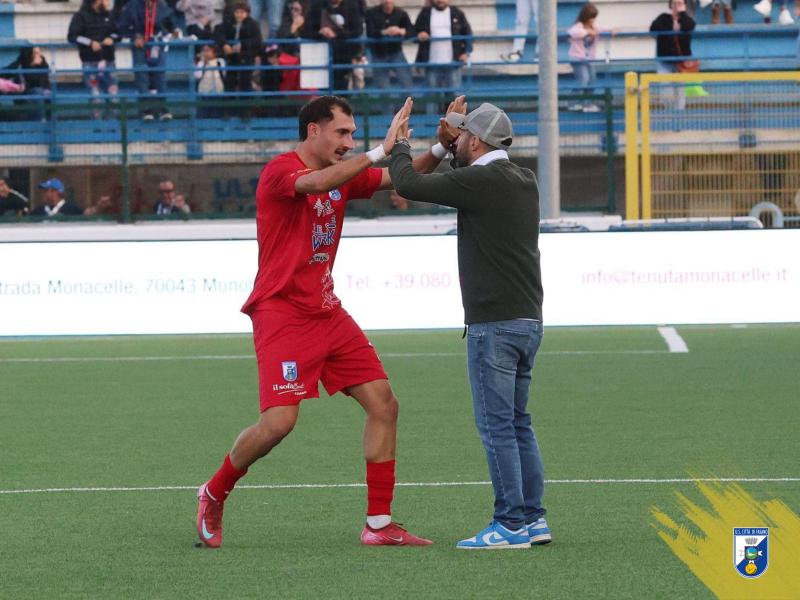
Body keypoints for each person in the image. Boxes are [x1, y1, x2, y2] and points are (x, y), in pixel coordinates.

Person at [195, 95, 451, 549]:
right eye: (342, 133)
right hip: (281, 312)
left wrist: (441, 148)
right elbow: (315, 184)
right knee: (278, 425)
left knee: (384, 404)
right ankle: (214, 491)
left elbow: (399, 178)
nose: (349, 141)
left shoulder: (342, 175)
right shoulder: (280, 171)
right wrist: (375, 151)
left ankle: (379, 524)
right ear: (314, 130)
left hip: (327, 310)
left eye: (353, 134)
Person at [387, 99, 550, 550]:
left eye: (461, 136)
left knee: (497, 426)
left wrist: (401, 144)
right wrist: (444, 144)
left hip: (493, 322)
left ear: (476, 141)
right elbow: (446, 169)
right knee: (518, 423)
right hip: (527, 317)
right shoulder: (523, 178)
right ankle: (533, 518)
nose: (456, 141)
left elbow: (406, 184)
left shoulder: (480, 180)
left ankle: (510, 523)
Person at [118, 0, 177, 120]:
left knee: (160, 76)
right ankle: (145, 110)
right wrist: (134, 37)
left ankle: (163, 109)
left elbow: (171, 25)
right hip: (140, 47)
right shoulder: (132, 5)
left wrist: (175, 32)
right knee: (142, 76)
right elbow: (122, 27)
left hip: (157, 45)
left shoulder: (162, 5)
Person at [414, 0, 472, 113]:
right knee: (431, 96)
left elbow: (468, 34)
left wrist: (466, 53)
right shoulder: (425, 13)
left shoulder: (457, 13)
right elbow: (414, 31)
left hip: (453, 63)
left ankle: (456, 127)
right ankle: (430, 125)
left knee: (455, 97)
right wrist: (419, 34)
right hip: (431, 64)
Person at [67, 0, 120, 116]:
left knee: (113, 97)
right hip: (89, 62)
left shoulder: (110, 15)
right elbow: (72, 36)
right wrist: (90, 43)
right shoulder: (80, 16)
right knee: (96, 98)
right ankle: (98, 128)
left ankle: (114, 128)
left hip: (108, 61)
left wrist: (111, 39)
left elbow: (118, 33)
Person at [304, 0, 364, 90]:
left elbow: (358, 30)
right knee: (322, 93)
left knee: (341, 91)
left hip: (343, 56)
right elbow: (306, 31)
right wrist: (320, 33)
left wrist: (337, 34)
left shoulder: (351, 6)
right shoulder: (316, 6)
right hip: (318, 57)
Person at [214, 1, 263, 110]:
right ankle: (228, 111)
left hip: (246, 58)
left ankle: (245, 113)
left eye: (242, 12)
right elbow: (218, 32)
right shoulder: (228, 22)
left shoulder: (252, 24)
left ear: (247, 13)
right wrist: (224, 44)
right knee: (230, 84)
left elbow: (257, 41)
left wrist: (243, 45)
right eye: (237, 12)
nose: (239, 15)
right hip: (232, 59)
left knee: (245, 84)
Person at [650, 0, 695, 111]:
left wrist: (683, 13)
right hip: (665, 60)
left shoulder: (687, 19)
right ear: (670, 5)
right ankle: (669, 115)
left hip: (681, 61)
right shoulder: (663, 18)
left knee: (680, 90)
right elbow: (653, 28)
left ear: (684, 5)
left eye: (680, 3)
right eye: (675, 3)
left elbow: (689, 26)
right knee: (665, 89)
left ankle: (679, 117)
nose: (677, 6)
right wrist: (672, 28)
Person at [567, 2, 609, 112]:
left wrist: (612, 30)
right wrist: (587, 32)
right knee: (583, 79)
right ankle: (572, 103)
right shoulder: (578, 26)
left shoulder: (594, 27)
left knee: (592, 80)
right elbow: (572, 32)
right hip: (577, 57)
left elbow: (603, 29)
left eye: (594, 18)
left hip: (589, 59)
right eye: (591, 18)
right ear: (585, 17)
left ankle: (587, 104)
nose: (592, 20)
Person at [365, 0, 415, 92]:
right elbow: (370, 33)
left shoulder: (401, 13)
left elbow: (412, 31)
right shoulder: (371, 13)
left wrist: (401, 31)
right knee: (383, 89)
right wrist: (385, 32)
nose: (387, 1)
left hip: (396, 52)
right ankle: (387, 107)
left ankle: (409, 106)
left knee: (407, 84)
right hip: (378, 54)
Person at [4, 46, 52, 121]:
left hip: (41, 91)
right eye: (36, 53)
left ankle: (50, 123)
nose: (38, 55)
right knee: (37, 92)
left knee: (48, 95)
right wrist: (32, 66)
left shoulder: (42, 64)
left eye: (39, 52)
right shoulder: (21, 63)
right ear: (30, 54)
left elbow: (44, 82)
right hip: (25, 93)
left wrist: (38, 66)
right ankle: (40, 122)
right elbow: (6, 72)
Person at [195, 43, 225, 117]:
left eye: (208, 51)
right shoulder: (201, 63)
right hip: (204, 93)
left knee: (217, 115)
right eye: (204, 51)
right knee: (203, 115)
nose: (205, 53)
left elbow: (224, 73)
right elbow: (197, 75)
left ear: (214, 52)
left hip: (218, 93)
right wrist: (202, 62)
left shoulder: (220, 62)